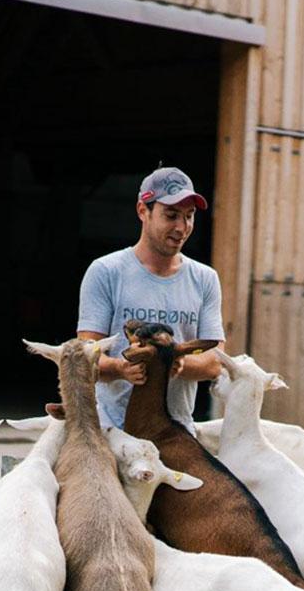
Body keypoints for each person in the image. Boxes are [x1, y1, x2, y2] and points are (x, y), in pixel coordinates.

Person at [77, 166, 225, 432]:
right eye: (171, 215)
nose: (182, 227)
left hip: (176, 434)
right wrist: (121, 368)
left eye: (189, 216)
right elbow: (85, 357)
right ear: (142, 211)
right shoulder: (106, 272)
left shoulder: (205, 279)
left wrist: (177, 363)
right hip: (112, 433)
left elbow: (215, 361)